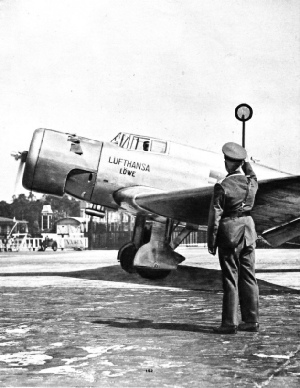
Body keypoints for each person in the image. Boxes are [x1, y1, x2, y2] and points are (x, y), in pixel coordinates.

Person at [207, 142, 259, 334]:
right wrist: (246, 164)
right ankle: (251, 321)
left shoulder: (222, 186)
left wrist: (212, 242)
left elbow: (215, 217)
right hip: (248, 233)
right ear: (241, 162)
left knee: (230, 279)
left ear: (227, 163)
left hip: (229, 234)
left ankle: (229, 324)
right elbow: (252, 175)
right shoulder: (251, 183)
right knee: (249, 277)